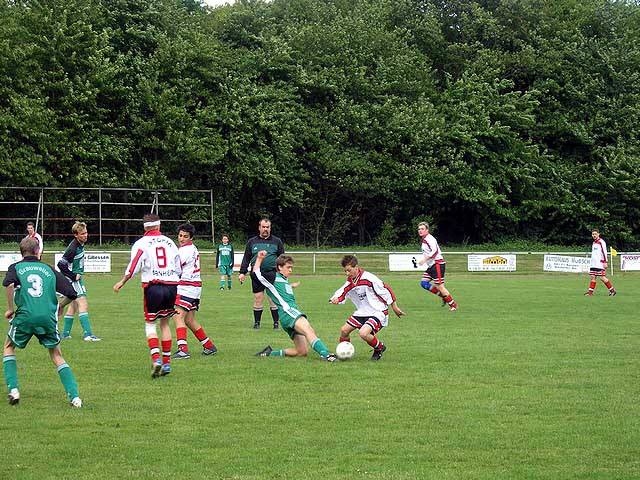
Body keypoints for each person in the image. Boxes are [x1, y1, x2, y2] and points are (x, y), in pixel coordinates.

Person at [2, 237, 82, 407]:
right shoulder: (48, 269)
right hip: (47, 318)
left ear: (21, 252)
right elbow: (72, 293)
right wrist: (60, 306)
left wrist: (10, 308)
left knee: (9, 347)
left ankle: (14, 390)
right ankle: (75, 398)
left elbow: (8, 284)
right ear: (38, 251)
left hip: (25, 315)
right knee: (56, 355)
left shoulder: (16, 267)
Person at [113, 214, 181, 378]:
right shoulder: (170, 242)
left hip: (153, 286)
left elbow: (134, 264)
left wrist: (122, 281)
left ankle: (156, 359)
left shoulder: (141, 243)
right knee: (165, 324)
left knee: (150, 323)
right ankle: (167, 363)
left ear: (145, 227)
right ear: (159, 226)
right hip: (171, 286)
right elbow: (178, 266)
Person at [253, 251, 337, 361]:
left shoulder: (284, 279)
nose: (290, 270)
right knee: (308, 329)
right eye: (288, 267)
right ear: (280, 267)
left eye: (291, 267)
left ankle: (269, 353)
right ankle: (326, 355)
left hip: (286, 315)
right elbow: (255, 273)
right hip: (289, 312)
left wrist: (291, 286)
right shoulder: (272, 277)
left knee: (302, 352)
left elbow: (280, 290)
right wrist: (259, 258)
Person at [330, 255, 405, 361]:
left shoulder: (369, 278)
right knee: (344, 331)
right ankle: (343, 353)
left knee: (363, 333)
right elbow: (343, 291)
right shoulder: (351, 281)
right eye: (345, 271)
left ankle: (379, 348)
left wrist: (395, 307)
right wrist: (336, 299)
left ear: (356, 267)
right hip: (363, 312)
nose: (347, 273)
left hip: (378, 312)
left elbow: (386, 289)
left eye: (349, 270)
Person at [172, 224, 218, 359]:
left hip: (187, 286)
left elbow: (176, 268)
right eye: (180, 235)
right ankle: (209, 346)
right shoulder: (190, 248)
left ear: (191, 237)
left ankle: (182, 350)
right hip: (194, 286)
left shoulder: (185, 250)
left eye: (185, 236)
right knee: (189, 320)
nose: (182, 238)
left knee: (177, 316)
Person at [57, 221, 101, 341]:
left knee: (73, 305)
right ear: (76, 235)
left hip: (77, 279)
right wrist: (72, 276)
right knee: (83, 304)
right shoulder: (73, 247)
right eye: (82, 234)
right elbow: (61, 264)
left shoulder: (80, 244)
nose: (85, 235)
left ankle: (65, 333)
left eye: (86, 233)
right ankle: (88, 335)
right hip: (73, 280)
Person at [238, 218, 285, 330]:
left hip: (272, 274)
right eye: (263, 227)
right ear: (259, 228)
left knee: (272, 299)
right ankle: (257, 323)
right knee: (258, 298)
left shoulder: (277, 241)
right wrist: (242, 272)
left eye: (267, 227)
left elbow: (282, 258)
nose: (265, 229)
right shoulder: (252, 242)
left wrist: (283, 273)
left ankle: (276, 323)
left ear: (270, 228)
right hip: (256, 275)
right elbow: (246, 258)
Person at [416, 222, 458, 311]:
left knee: (440, 286)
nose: (420, 231)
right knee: (424, 283)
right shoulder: (425, 239)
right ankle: (444, 296)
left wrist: (425, 259)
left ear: (427, 230)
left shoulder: (429, 238)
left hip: (437, 264)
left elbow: (435, 251)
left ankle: (453, 305)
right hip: (432, 266)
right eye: (419, 229)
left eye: (422, 229)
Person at [585, 229, 616, 296]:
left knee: (602, 277)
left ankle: (612, 290)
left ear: (598, 234)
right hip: (593, 263)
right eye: (593, 234)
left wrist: (605, 262)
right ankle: (590, 292)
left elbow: (604, 252)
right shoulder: (594, 243)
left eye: (595, 234)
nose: (594, 235)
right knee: (593, 276)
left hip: (599, 263)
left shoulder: (601, 242)